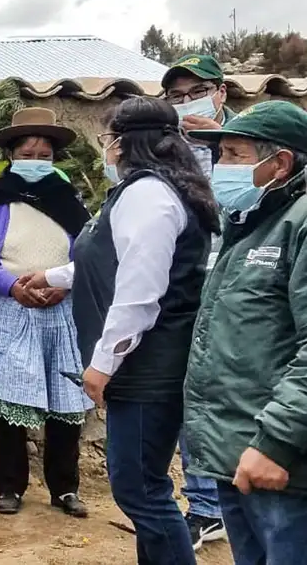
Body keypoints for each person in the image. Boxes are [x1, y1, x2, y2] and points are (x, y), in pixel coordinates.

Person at [22, 97, 218, 565]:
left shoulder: (149, 195)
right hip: (147, 360)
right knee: (144, 484)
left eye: (107, 139)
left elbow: (139, 292)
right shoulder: (153, 190)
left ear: (124, 143)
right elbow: (113, 257)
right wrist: (54, 276)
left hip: (149, 364)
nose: (105, 149)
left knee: (139, 489)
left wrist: (103, 363)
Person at [183, 101, 307, 565]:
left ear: (280, 163)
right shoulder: (251, 225)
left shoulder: (299, 223)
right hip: (236, 453)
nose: (222, 169)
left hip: (281, 462)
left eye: (234, 155)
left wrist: (276, 444)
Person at [0, 108, 93, 518]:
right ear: (11, 155)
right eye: (27, 152)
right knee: (10, 402)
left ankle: (65, 488)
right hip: (8, 311)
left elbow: (90, 254)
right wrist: (13, 286)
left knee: (65, 404)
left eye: (43, 154)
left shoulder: (70, 203)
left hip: (60, 314)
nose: (35, 160)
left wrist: (62, 283)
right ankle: (10, 486)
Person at [161, 53, 233, 550]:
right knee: (194, 395)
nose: (188, 104)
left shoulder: (256, 141)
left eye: (197, 92)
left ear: (221, 92)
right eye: (177, 97)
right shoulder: (170, 152)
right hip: (187, 286)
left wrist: (222, 143)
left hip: (246, 285)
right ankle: (206, 505)